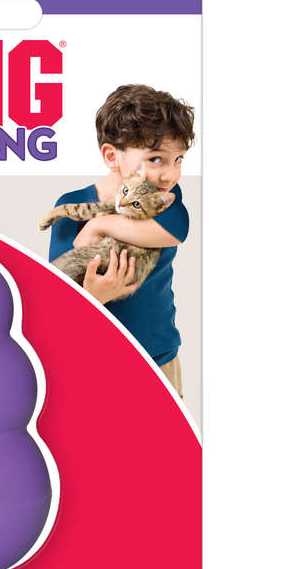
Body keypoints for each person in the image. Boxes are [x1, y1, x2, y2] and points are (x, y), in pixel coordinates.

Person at [46, 84, 194, 397]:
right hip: (96, 360)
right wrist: (95, 296)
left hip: (160, 357)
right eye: (156, 159)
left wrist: (100, 224)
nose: (170, 174)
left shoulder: (165, 199)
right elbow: (56, 290)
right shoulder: (73, 204)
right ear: (112, 156)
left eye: (179, 158)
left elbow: (178, 231)